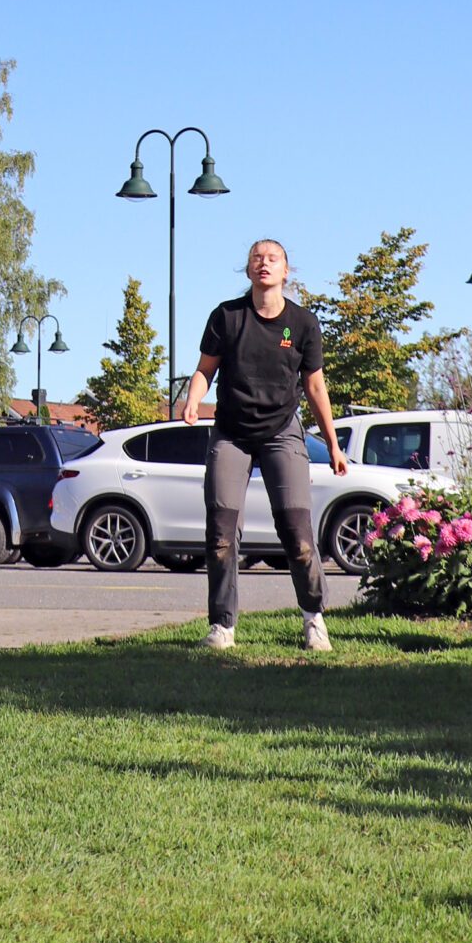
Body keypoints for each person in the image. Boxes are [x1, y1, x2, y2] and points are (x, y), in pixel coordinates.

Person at [181, 238, 347, 655]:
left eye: (272, 258)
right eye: (257, 258)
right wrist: (192, 400)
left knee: (297, 532)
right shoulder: (227, 316)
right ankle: (222, 626)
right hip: (231, 432)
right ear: (248, 269)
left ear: (286, 271)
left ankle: (314, 619)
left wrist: (333, 444)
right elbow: (204, 371)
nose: (264, 263)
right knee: (221, 533)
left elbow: (315, 387)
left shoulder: (303, 323)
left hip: (282, 431)